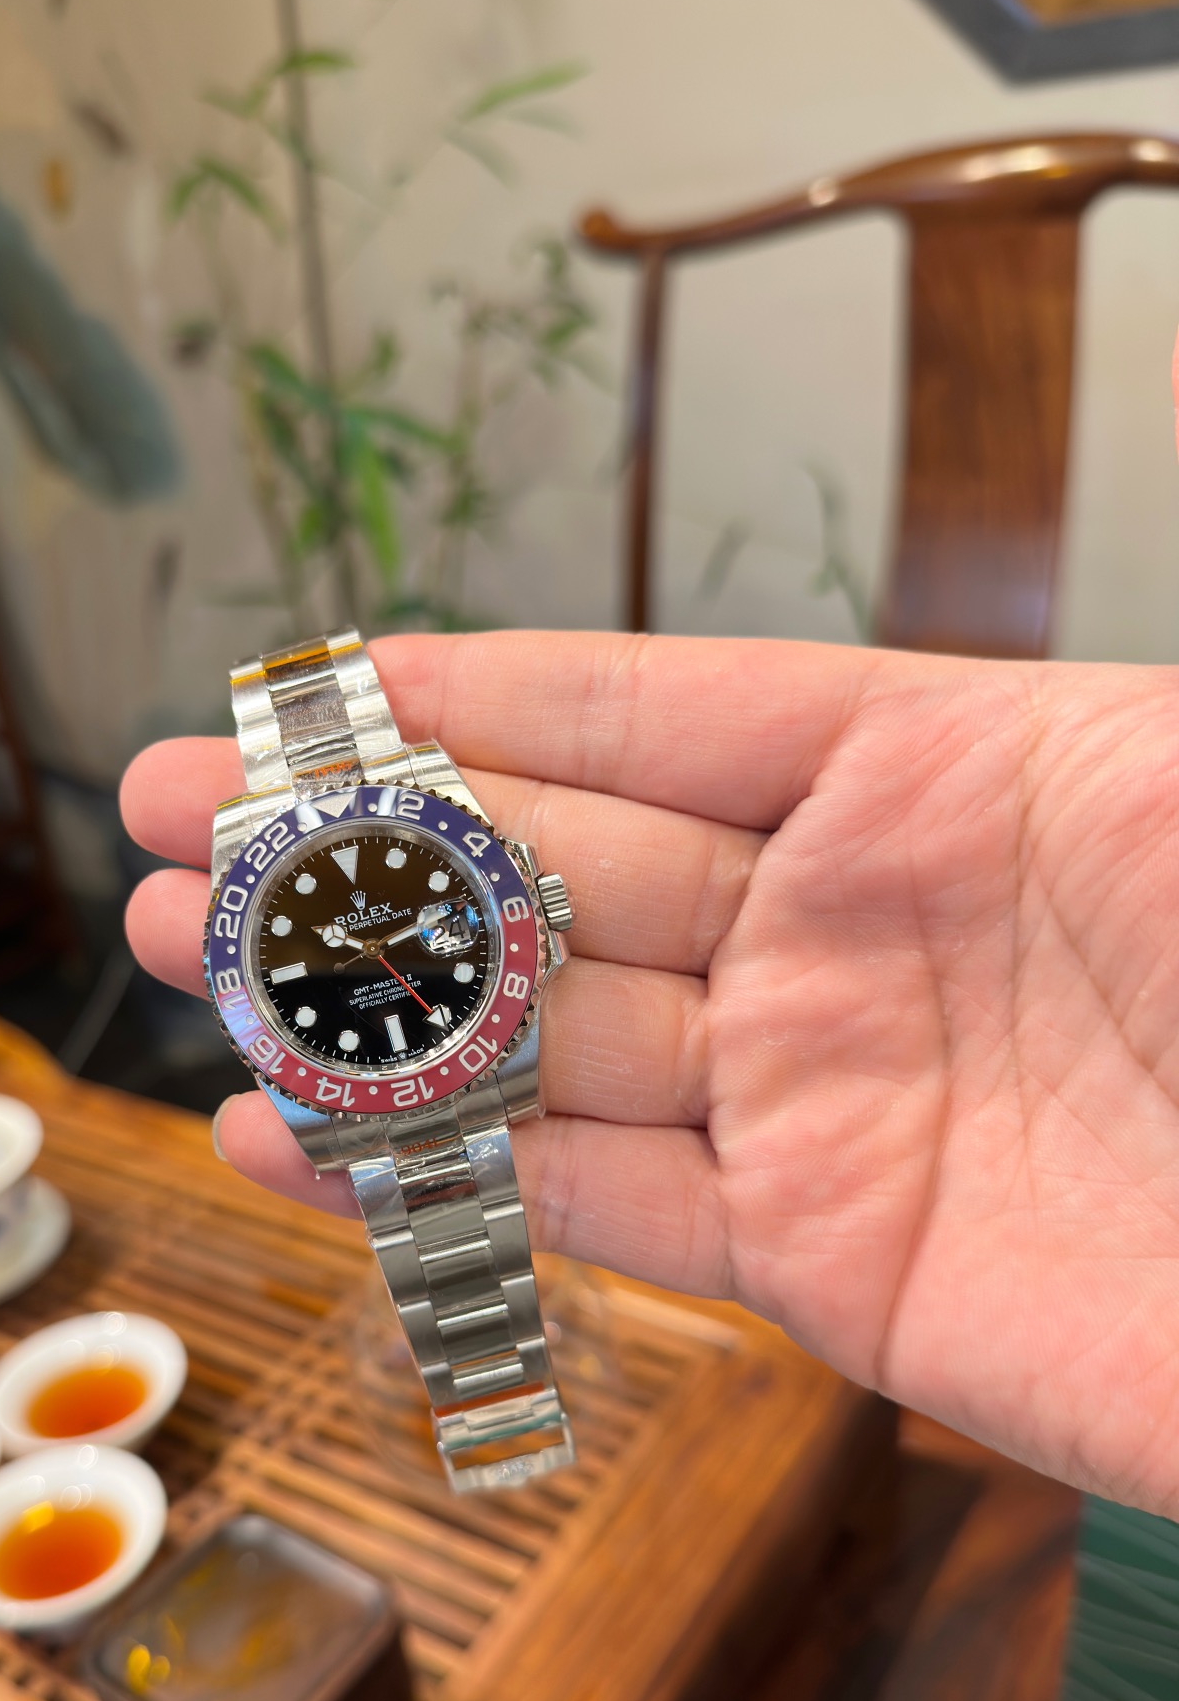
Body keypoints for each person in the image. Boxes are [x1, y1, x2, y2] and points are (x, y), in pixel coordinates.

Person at [120, 332, 1179, 1521]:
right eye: (359, 946)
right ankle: (504, 1444)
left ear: (531, 910)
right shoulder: (321, 937)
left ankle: (509, 1441)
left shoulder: (460, 936)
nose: (377, 952)